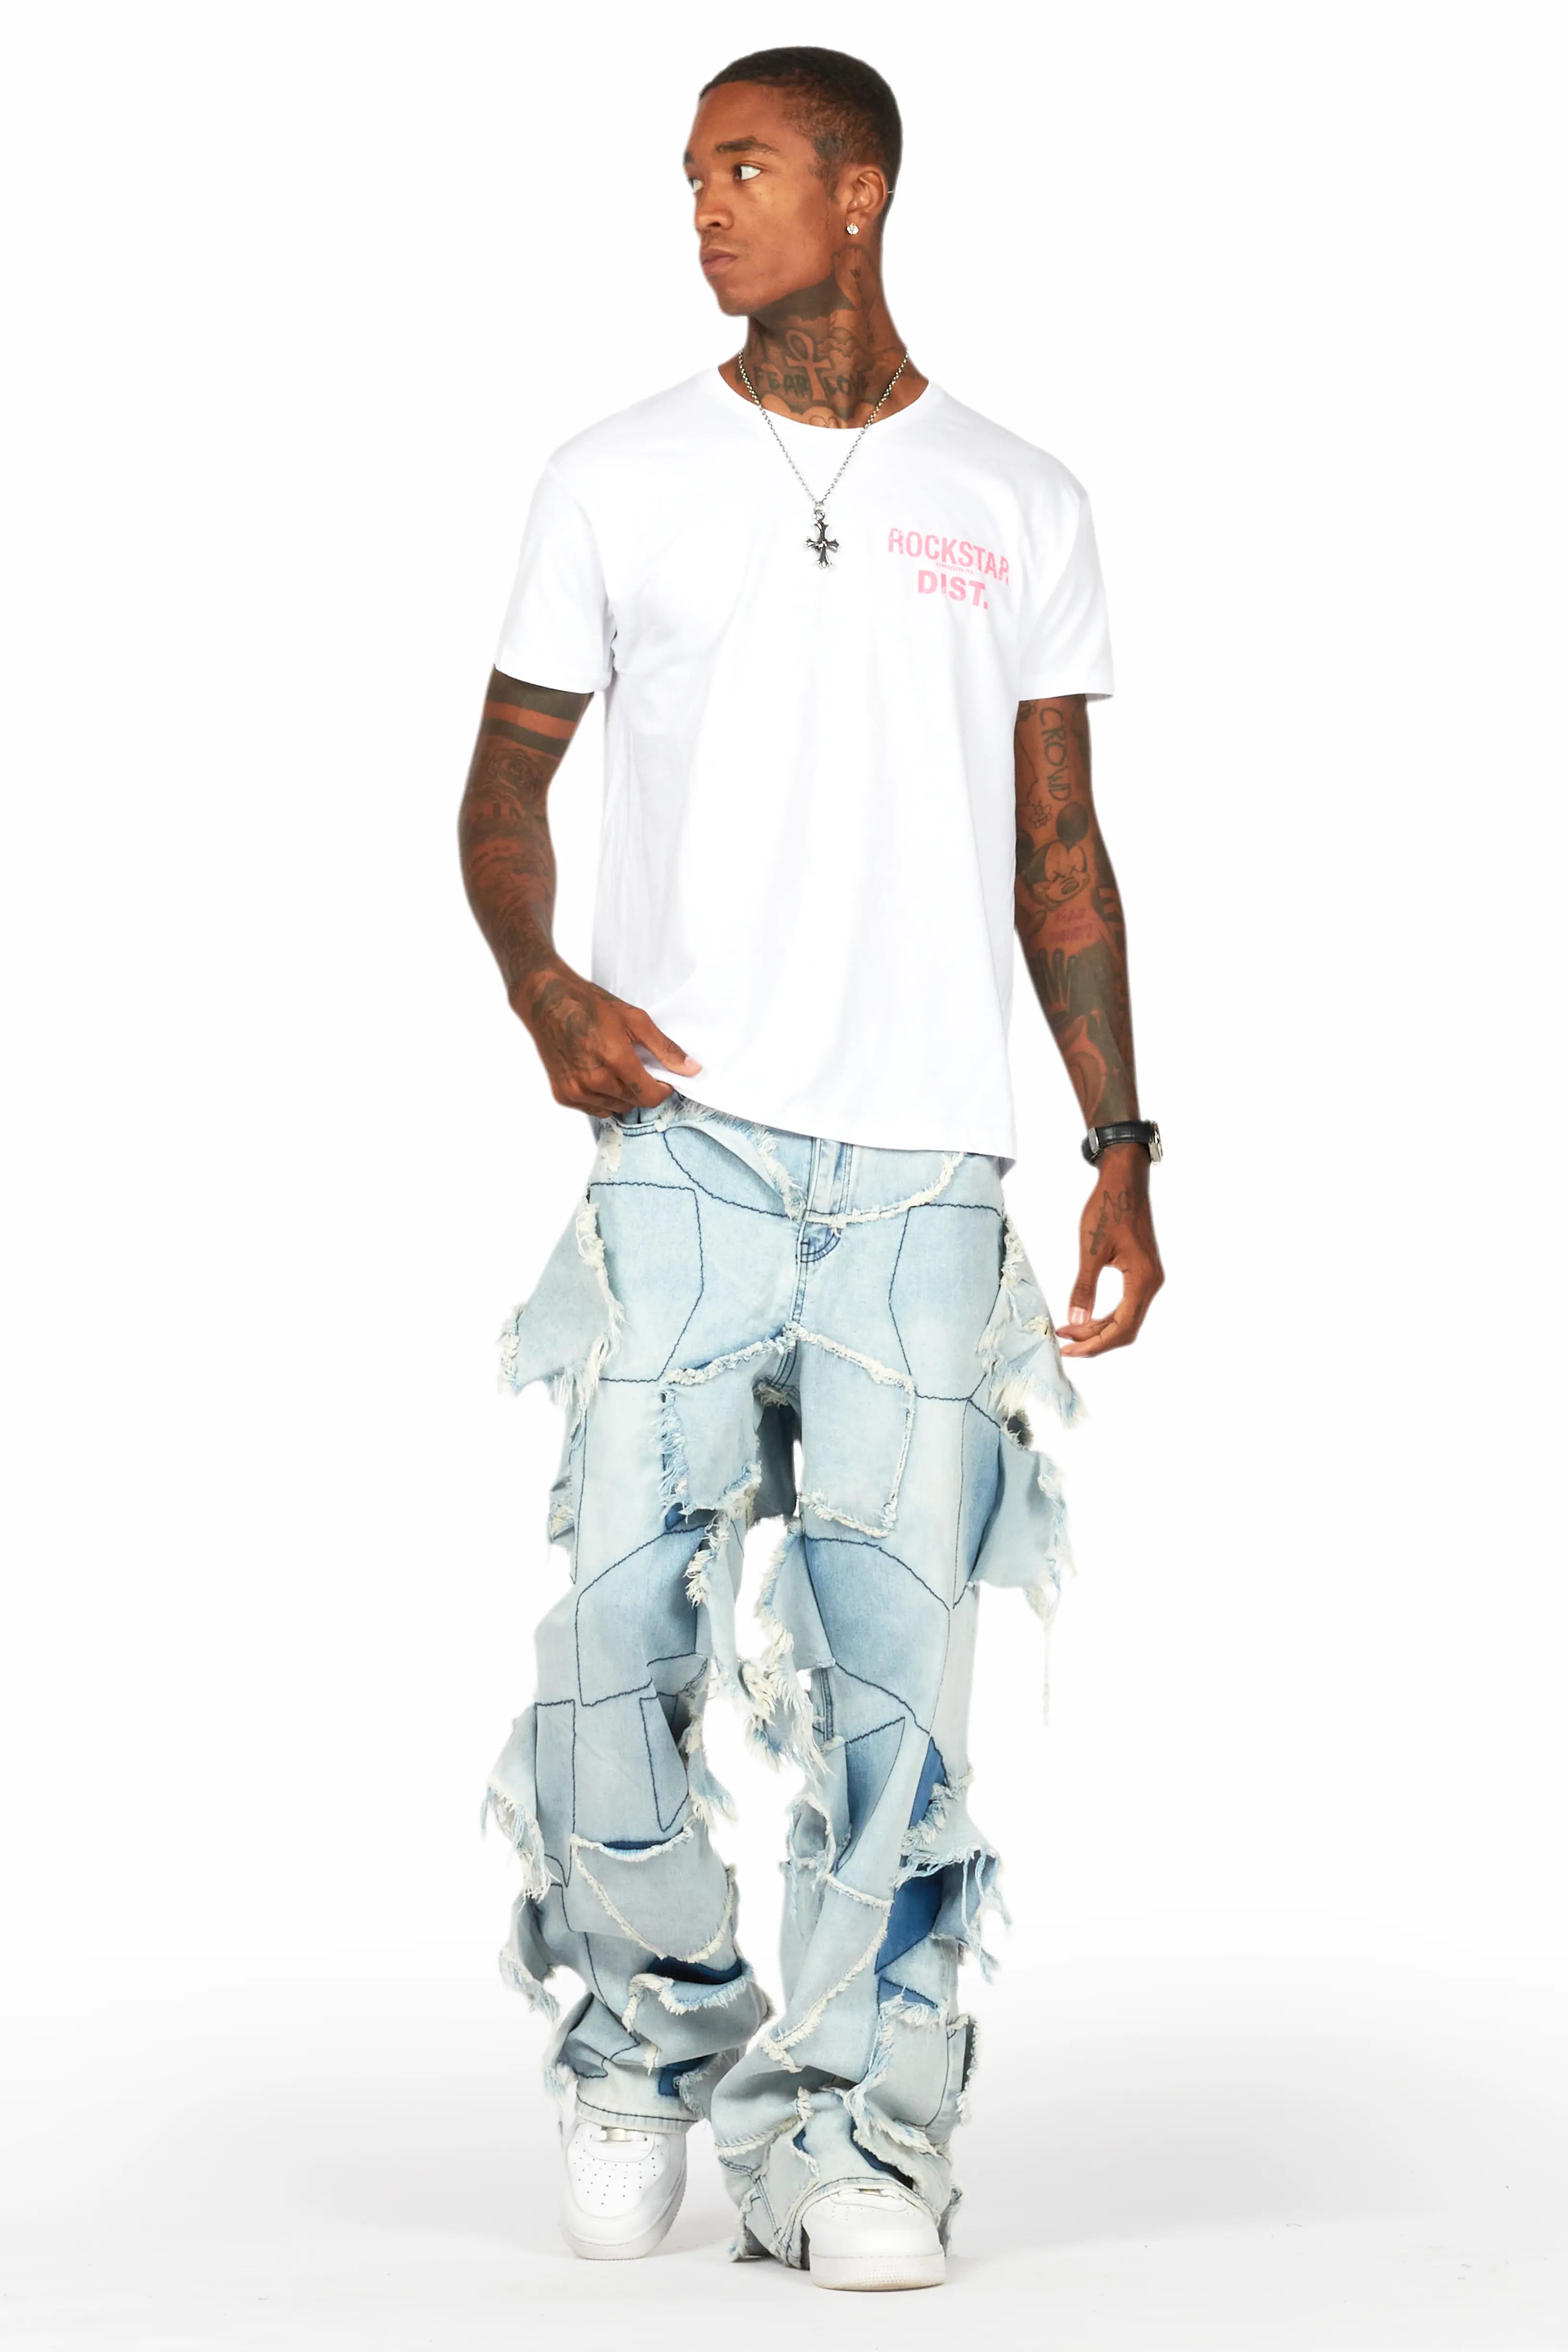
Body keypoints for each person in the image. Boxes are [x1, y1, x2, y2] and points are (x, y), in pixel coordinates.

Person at [458, 45, 1163, 2292]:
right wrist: (541, 983)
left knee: (894, 1675)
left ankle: (859, 2126)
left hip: (926, 1169)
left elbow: (1059, 847)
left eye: (744, 168)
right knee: (607, 1625)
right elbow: (501, 784)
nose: (704, 207)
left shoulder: (1018, 498)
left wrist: (1118, 1144)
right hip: (680, 1147)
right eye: (691, 174)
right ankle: (644, 2035)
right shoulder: (613, 476)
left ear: (858, 195)